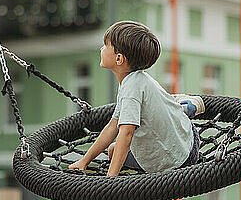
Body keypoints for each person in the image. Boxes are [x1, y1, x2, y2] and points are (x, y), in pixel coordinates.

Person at [69, 20, 204, 176]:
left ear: (119, 59)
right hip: (188, 140)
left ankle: (184, 106)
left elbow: (126, 135)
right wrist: (84, 161)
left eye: (106, 45)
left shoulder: (130, 91)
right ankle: (180, 108)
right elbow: (112, 127)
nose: (102, 48)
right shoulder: (138, 79)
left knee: (116, 149)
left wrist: (110, 178)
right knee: (113, 148)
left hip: (174, 164)